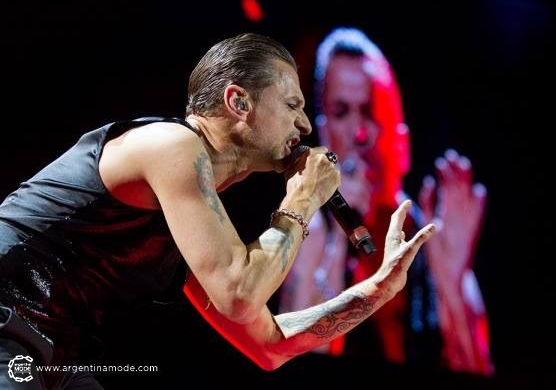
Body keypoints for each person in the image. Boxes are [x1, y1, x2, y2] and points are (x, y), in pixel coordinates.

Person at [0, 33, 436, 389]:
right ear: (238, 102)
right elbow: (239, 292)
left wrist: (378, 289)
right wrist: (303, 196)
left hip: (55, 353)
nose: (305, 126)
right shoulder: (171, 146)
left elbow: (269, 345)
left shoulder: (191, 209)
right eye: (292, 105)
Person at [279, 27, 494, 375]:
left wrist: (453, 287)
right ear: (325, 131)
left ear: (400, 137)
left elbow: (478, 369)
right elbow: (292, 360)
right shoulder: (312, 234)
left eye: (371, 111)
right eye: (342, 112)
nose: (359, 133)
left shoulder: (433, 245)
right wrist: (339, 239)